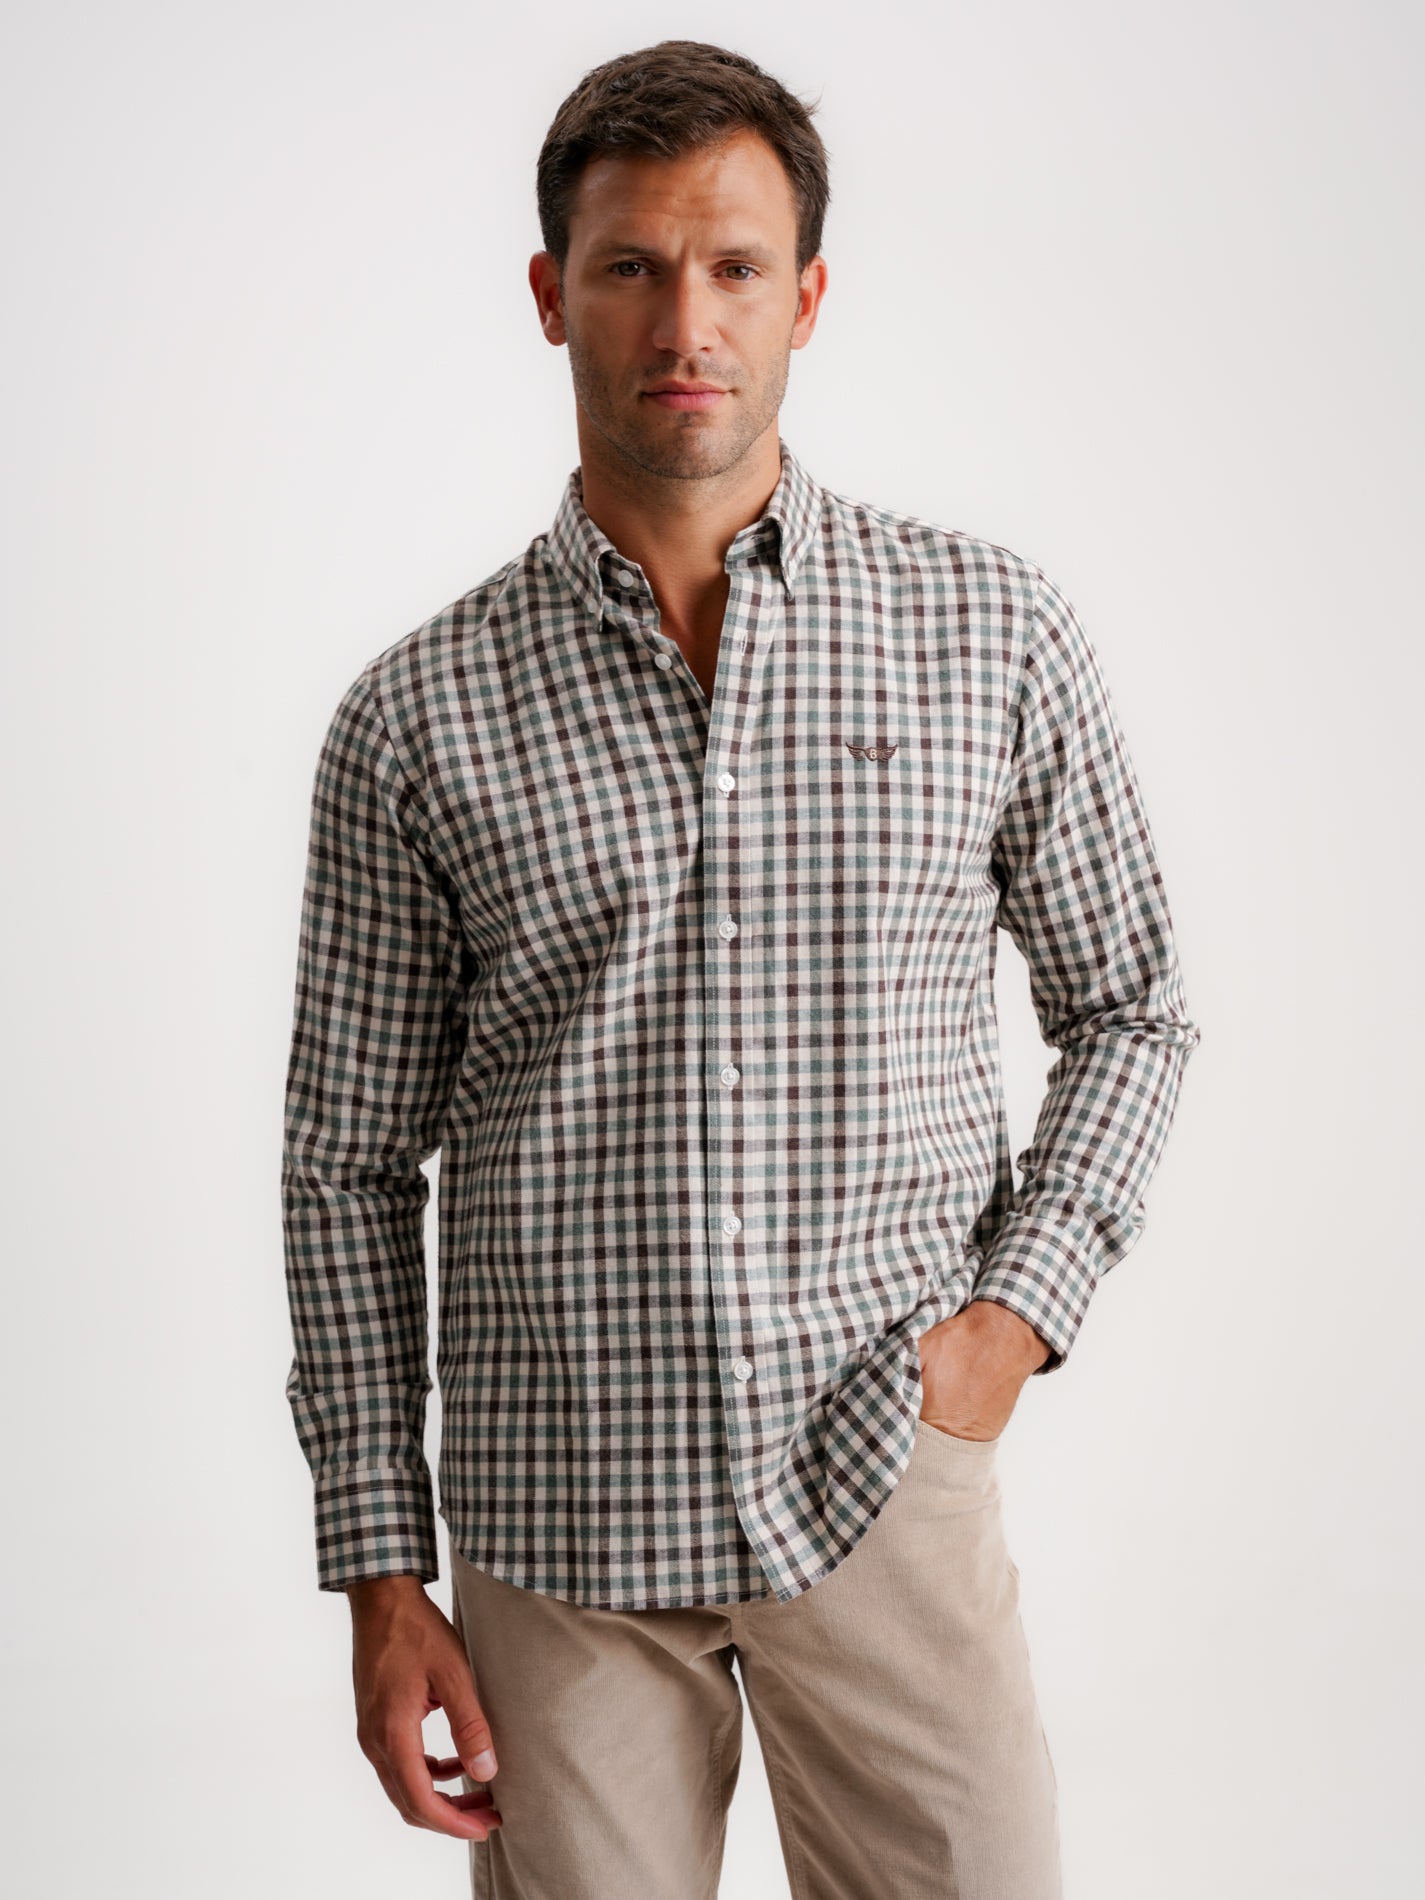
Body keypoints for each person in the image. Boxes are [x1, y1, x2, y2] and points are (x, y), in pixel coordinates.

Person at [280, 38, 1201, 1900]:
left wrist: (1006, 1325)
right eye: (629, 266)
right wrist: (381, 1569)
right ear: (551, 294)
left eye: (733, 267)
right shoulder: (414, 716)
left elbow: (1132, 1007)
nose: (682, 322)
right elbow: (347, 1167)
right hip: (559, 1528)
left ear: (807, 297)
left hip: (883, 1471)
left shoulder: (987, 635)